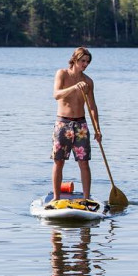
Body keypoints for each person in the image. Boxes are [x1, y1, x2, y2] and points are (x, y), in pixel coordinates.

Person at [49, 47, 101, 205]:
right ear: (75, 60)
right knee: (59, 161)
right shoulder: (62, 74)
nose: (85, 64)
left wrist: (98, 129)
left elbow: (92, 107)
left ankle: (86, 198)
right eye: (82, 61)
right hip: (63, 123)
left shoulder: (88, 82)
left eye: (87, 62)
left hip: (81, 125)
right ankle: (56, 199)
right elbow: (56, 94)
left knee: (84, 162)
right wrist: (74, 87)